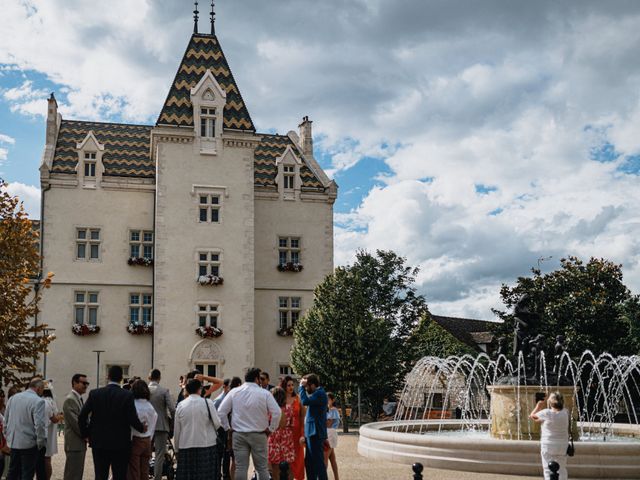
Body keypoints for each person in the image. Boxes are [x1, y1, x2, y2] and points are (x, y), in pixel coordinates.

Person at [78, 365, 145, 480]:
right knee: (119, 475)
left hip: (99, 442)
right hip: (121, 443)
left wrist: (87, 434)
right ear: (121, 378)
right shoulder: (127, 395)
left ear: (107, 376)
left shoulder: (95, 394)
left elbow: (82, 416)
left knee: (100, 475)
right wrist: (141, 428)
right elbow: (132, 419)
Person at [218, 367, 281, 480]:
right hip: (259, 434)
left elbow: (221, 412)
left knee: (241, 468)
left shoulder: (234, 392)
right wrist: (271, 429)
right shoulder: (264, 393)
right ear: (257, 379)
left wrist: (228, 428)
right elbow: (277, 412)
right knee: (262, 469)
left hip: (239, 434)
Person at [174, 379, 221, 480]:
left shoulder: (181, 405)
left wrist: (177, 449)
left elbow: (177, 430)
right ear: (200, 389)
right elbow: (217, 424)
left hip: (186, 446)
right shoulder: (208, 403)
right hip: (206, 444)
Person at [4, 377, 47, 480]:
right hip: (29, 443)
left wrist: (8, 436)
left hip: (14, 442)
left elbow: (6, 419)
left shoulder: (13, 398)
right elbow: (39, 425)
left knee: (13, 472)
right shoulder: (38, 401)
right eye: (42, 390)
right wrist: (40, 442)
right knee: (27, 473)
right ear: (39, 388)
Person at [530, 391, 570, 480]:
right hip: (562, 445)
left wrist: (539, 405)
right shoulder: (565, 412)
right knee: (562, 468)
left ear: (550, 402)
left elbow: (532, 416)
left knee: (548, 469)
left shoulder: (546, 413)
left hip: (548, 445)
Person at [299, 374, 328, 480]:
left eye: (307, 386)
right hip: (311, 433)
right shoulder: (317, 393)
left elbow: (305, 401)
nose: (306, 389)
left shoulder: (320, 393)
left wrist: (301, 387)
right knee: (309, 463)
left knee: (318, 463)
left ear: (312, 385)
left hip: (315, 433)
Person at [148, 369, 175, 480]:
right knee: (159, 454)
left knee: (145, 454)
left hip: (147, 426)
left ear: (149, 378)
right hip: (161, 425)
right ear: (159, 378)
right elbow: (172, 409)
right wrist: (173, 421)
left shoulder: (144, 390)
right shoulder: (164, 391)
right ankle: (157, 477)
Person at [128, 380, 157, 480]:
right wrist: (149, 437)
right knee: (144, 471)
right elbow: (153, 423)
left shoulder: (133, 405)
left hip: (135, 439)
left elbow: (130, 424)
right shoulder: (150, 406)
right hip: (147, 440)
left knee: (134, 471)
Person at [63, 373, 89, 480]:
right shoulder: (70, 399)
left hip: (78, 444)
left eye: (87, 383)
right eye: (83, 383)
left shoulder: (77, 399)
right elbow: (76, 423)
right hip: (74, 444)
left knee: (77, 473)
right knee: (72, 474)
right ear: (74, 383)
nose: (86, 385)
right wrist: (87, 435)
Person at [280, 376, 305, 480]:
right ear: (284, 386)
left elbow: (303, 416)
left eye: (292, 385)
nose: (291, 387)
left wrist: (303, 434)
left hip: (296, 433)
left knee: (297, 459)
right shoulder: (280, 399)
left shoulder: (298, 399)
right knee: (285, 459)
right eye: (288, 385)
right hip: (284, 434)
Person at [268, 387, 294, 480]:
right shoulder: (289, 407)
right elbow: (292, 424)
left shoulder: (270, 409)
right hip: (287, 435)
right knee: (290, 465)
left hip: (274, 435)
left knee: (275, 466)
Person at [42, 388, 62, 480]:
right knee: (47, 460)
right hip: (49, 435)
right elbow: (55, 419)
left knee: (44, 460)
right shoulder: (52, 402)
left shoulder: (44, 401)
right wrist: (60, 416)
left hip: (44, 434)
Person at [323, 393, 339, 480]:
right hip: (330, 433)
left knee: (325, 457)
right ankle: (336, 478)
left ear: (332, 400)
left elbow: (329, 424)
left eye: (328, 399)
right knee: (332, 458)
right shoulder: (329, 410)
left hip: (329, 434)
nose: (326, 400)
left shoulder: (332, 410)